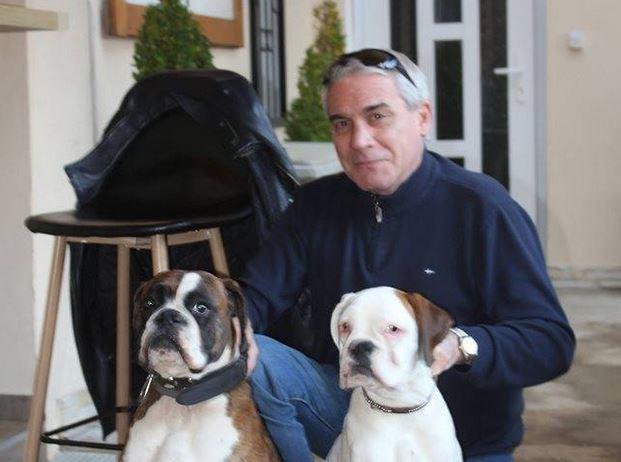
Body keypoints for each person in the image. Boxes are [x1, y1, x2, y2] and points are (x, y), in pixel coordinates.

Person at [238, 48, 575, 462]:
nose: (359, 141)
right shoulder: (315, 206)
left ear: (422, 118)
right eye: (342, 124)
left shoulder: (483, 209)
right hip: (351, 413)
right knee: (246, 351)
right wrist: (234, 328)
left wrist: (460, 346)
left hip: (463, 438)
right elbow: (256, 296)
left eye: (378, 116)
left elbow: (550, 342)